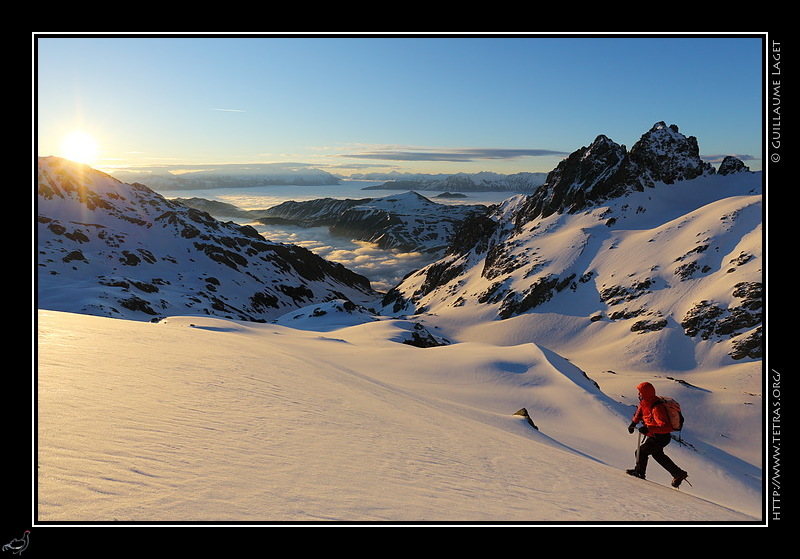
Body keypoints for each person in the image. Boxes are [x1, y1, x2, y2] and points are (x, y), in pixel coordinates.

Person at [626, 381, 689, 488]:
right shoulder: (645, 402)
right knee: (658, 455)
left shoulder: (656, 408)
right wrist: (634, 422)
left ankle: (640, 472)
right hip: (654, 435)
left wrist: (648, 428)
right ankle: (678, 474)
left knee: (641, 452)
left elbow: (665, 426)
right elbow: (640, 412)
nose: (638, 395)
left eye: (640, 392)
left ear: (645, 393)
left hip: (660, 437)